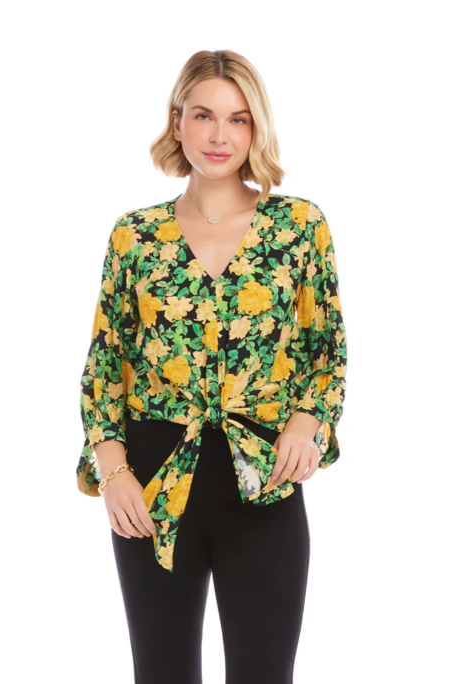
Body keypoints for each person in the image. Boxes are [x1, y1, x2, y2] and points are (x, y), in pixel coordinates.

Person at [77, 49, 348, 684]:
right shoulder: (135, 236)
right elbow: (104, 363)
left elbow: (328, 348)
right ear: (177, 121)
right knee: (161, 672)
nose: (219, 135)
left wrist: (307, 423)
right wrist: (113, 472)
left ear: (257, 129)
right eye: (203, 115)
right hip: (152, 482)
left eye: (238, 119)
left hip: (264, 476)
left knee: (265, 673)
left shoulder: (299, 227)